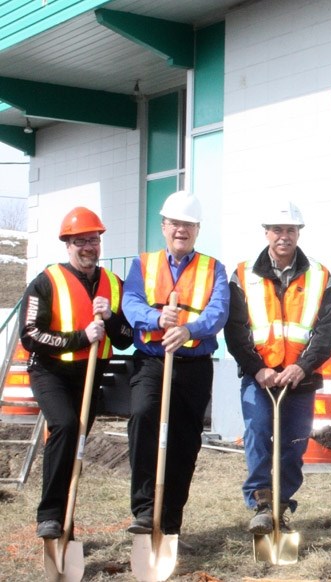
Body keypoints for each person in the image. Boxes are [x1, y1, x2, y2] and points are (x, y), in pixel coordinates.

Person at [224, 201, 331, 535]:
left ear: (298, 233)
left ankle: (281, 506)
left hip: (300, 380)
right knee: (258, 433)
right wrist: (258, 369)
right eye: (277, 230)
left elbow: (326, 331)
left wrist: (302, 367)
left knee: (294, 443)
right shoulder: (243, 274)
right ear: (266, 233)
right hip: (260, 378)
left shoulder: (320, 275)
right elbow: (235, 330)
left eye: (290, 230)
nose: (283, 236)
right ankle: (261, 504)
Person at [20, 207, 133, 539]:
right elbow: (30, 335)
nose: (89, 247)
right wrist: (81, 338)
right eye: (81, 241)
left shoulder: (114, 283)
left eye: (94, 240)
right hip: (50, 371)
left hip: (91, 374)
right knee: (66, 426)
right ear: (67, 244)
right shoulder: (46, 282)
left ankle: (66, 524)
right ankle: (50, 516)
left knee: (77, 442)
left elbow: (127, 338)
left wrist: (110, 318)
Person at [122, 190, 230, 538]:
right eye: (174, 223)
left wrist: (187, 329)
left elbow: (218, 312)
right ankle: (144, 510)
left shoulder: (214, 268)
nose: (180, 230)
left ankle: (169, 523)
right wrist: (156, 319)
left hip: (194, 365)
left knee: (184, 441)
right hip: (152, 361)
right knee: (143, 416)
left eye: (187, 224)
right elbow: (131, 302)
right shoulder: (143, 264)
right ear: (163, 226)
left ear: (197, 229)